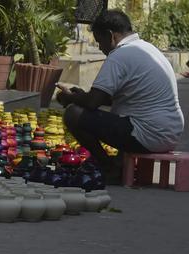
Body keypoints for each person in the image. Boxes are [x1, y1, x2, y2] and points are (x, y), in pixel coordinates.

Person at [56, 10, 184, 178]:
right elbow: (110, 98)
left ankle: (108, 167)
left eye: (100, 41)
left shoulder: (119, 55)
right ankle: (117, 164)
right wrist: (83, 95)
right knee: (115, 114)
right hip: (171, 133)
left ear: (111, 36)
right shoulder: (148, 49)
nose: (100, 48)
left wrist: (70, 98)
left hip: (149, 134)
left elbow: (93, 102)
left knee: (73, 114)